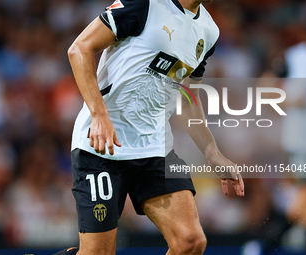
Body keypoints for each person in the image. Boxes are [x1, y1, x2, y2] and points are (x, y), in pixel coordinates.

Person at [55, 0, 245, 254]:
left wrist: (213, 153)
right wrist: (99, 114)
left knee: (191, 241)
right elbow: (79, 49)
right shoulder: (145, 3)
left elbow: (188, 98)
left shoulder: (209, 30)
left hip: (156, 148)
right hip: (103, 146)